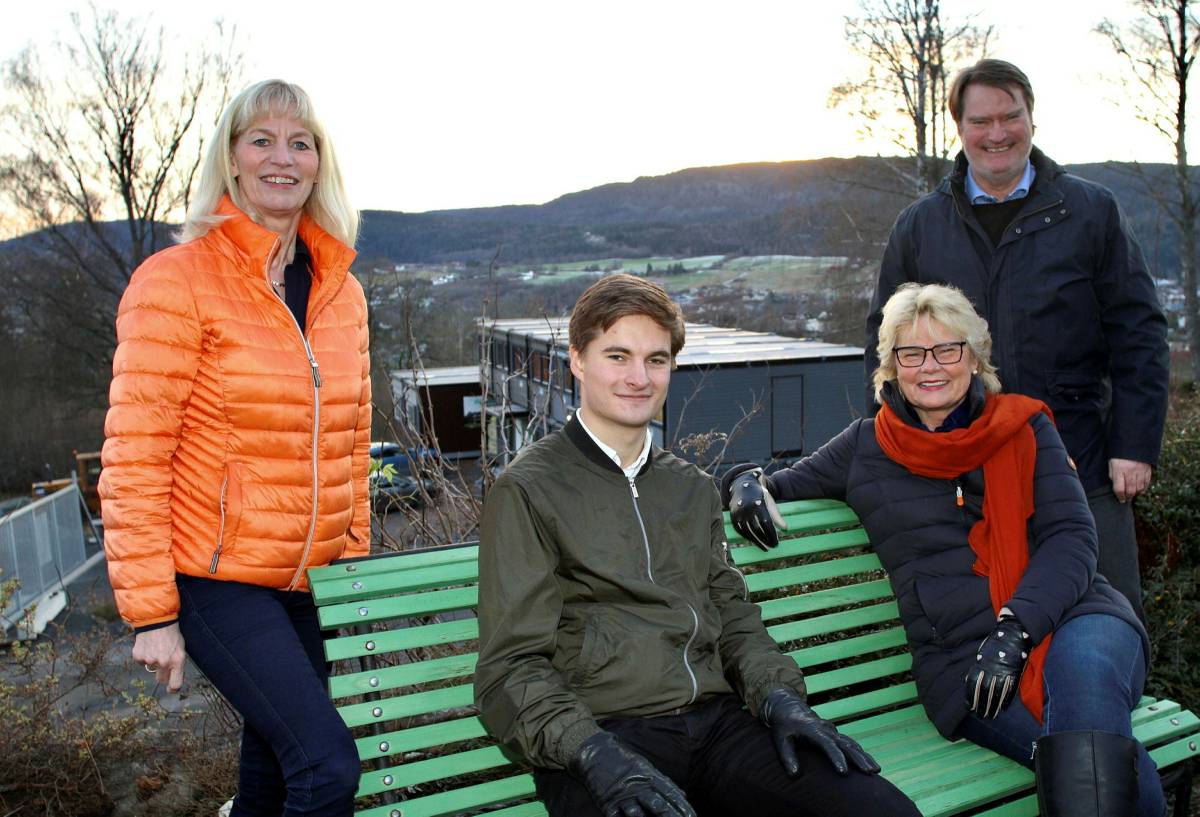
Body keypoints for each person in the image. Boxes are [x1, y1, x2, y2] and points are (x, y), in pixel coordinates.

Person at [473, 274, 919, 817]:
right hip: (605, 738)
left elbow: (732, 617)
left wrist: (779, 698)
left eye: (656, 360)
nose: (639, 378)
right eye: (618, 356)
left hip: (718, 724)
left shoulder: (689, 487)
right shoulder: (529, 489)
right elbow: (511, 666)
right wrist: (590, 752)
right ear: (577, 360)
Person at [728, 283, 1163, 817]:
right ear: (891, 367)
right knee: (1112, 771)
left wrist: (1015, 630)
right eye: (911, 353)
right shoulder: (865, 446)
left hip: (1075, 618)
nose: (929, 366)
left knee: (1086, 702)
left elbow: (1072, 539)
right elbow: (778, 482)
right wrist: (742, 478)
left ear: (974, 358)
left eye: (947, 349)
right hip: (962, 665)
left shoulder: (1025, 428)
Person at [99, 79, 369, 816]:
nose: (282, 157)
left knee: (275, 771)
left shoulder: (342, 292)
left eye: (300, 141)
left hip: (308, 580)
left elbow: (349, 438)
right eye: (261, 139)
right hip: (213, 575)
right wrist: (151, 610)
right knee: (328, 766)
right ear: (231, 160)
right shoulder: (176, 281)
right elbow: (134, 453)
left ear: (320, 162)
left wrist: (351, 564)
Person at [866, 58, 1170, 623]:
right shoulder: (920, 225)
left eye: (1011, 116)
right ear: (959, 126)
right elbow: (883, 346)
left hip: (1081, 458)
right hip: (961, 472)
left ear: (1032, 118)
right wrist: (901, 447)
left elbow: (1139, 332)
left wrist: (1134, 443)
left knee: (1108, 622)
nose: (998, 133)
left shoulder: (1090, 211)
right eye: (981, 120)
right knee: (981, 628)